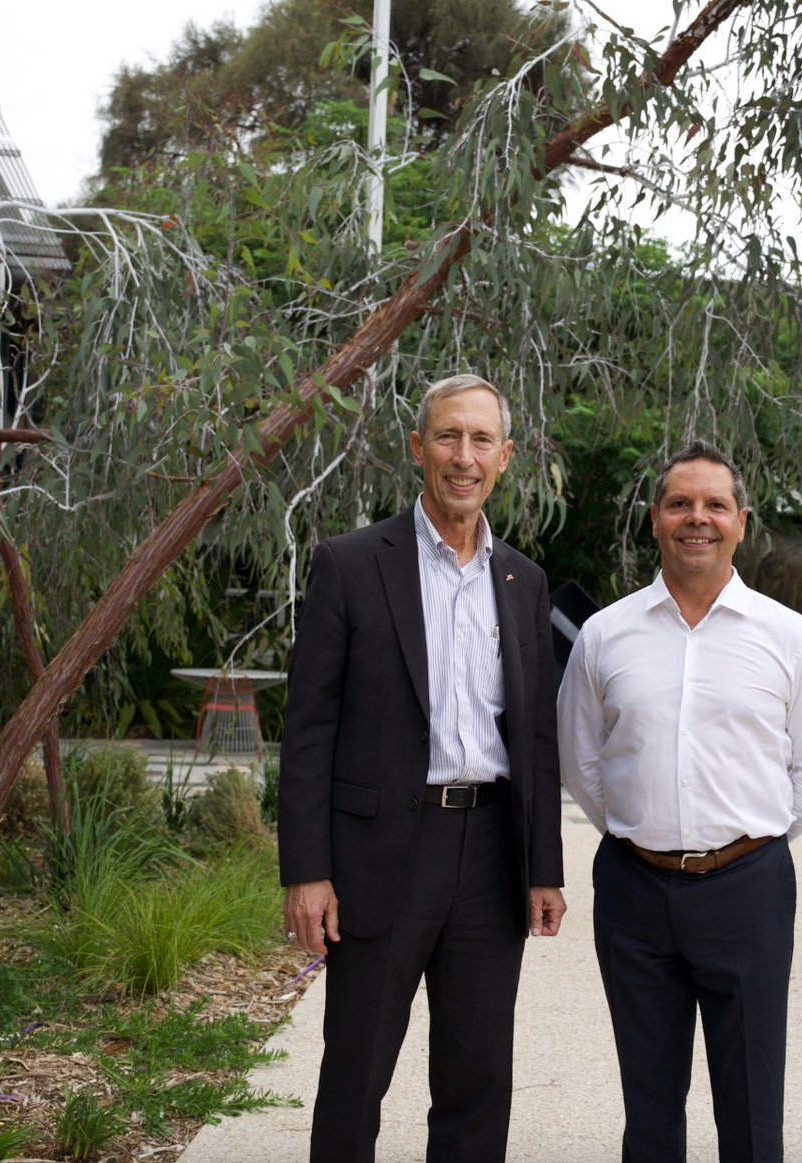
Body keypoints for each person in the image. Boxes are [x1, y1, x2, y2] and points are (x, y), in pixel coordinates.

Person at [279, 374, 567, 1163]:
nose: (463, 456)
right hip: (379, 860)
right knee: (356, 1074)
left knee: (478, 1082)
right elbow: (308, 730)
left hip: (489, 859)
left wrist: (544, 867)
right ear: (417, 448)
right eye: (448, 436)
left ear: (505, 459)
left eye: (481, 440)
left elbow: (536, 738)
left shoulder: (523, 581)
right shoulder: (349, 565)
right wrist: (307, 870)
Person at [557, 439, 802, 1163]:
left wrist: (744, 841)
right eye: (680, 503)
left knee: (751, 1109)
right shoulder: (605, 635)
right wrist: (643, 830)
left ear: (741, 522)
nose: (698, 517)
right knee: (648, 1108)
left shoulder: (793, 639)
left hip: (748, 888)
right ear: (655, 519)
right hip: (634, 890)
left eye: (715, 504)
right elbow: (582, 761)